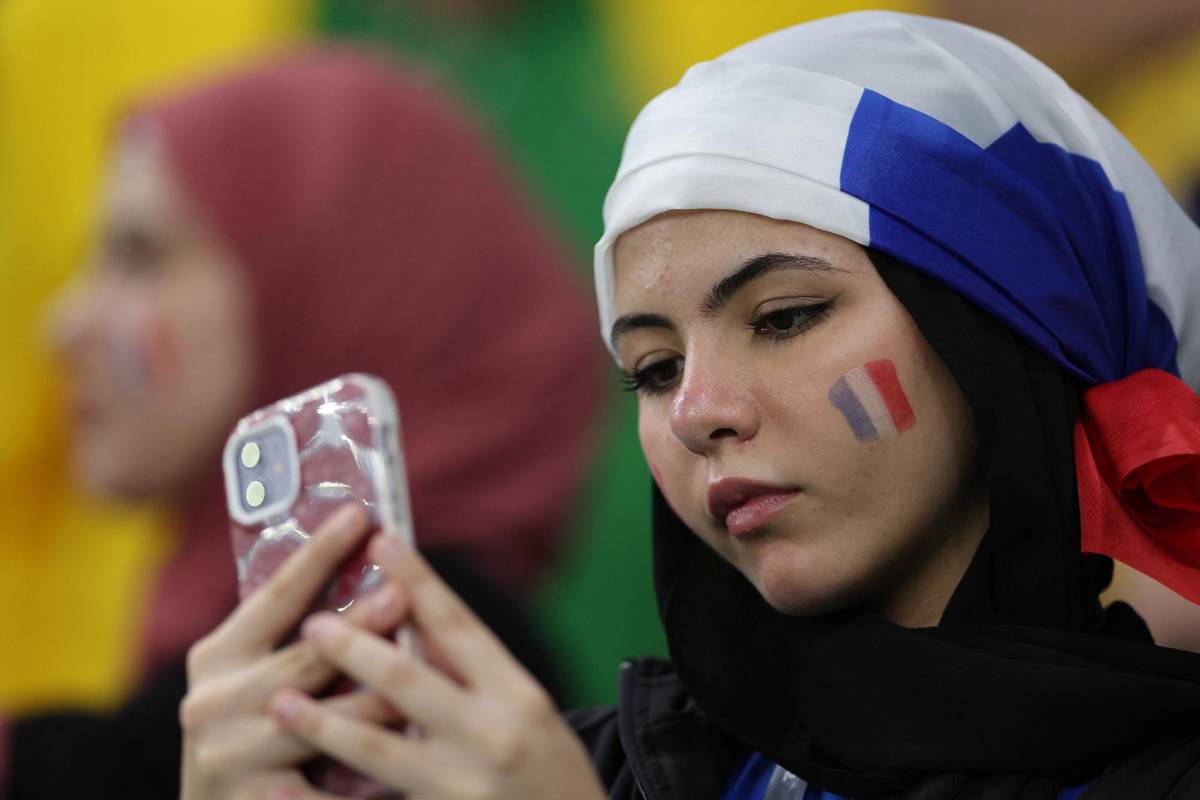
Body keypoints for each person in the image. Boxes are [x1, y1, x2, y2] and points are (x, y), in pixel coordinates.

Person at [179, 11, 1200, 800]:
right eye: (654, 368)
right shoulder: (595, 766)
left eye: (786, 316)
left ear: (1000, 328)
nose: (697, 410)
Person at [7, 47, 601, 798]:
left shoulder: (407, 665)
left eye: (141, 255)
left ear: (330, 281)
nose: (64, 325)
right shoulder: (231, 643)